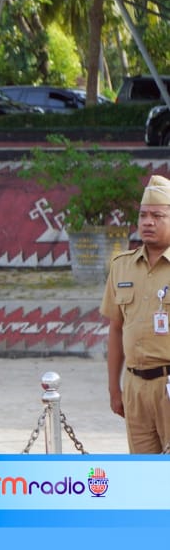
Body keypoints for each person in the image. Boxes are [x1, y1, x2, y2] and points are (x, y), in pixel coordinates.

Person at [102, 174, 170, 453]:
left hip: (169, 384)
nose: (147, 222)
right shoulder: (122, 266)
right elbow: (116, 328)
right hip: (135, 387)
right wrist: (114, 389)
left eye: (157, 215)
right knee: (145, 476)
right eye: (143, 215)